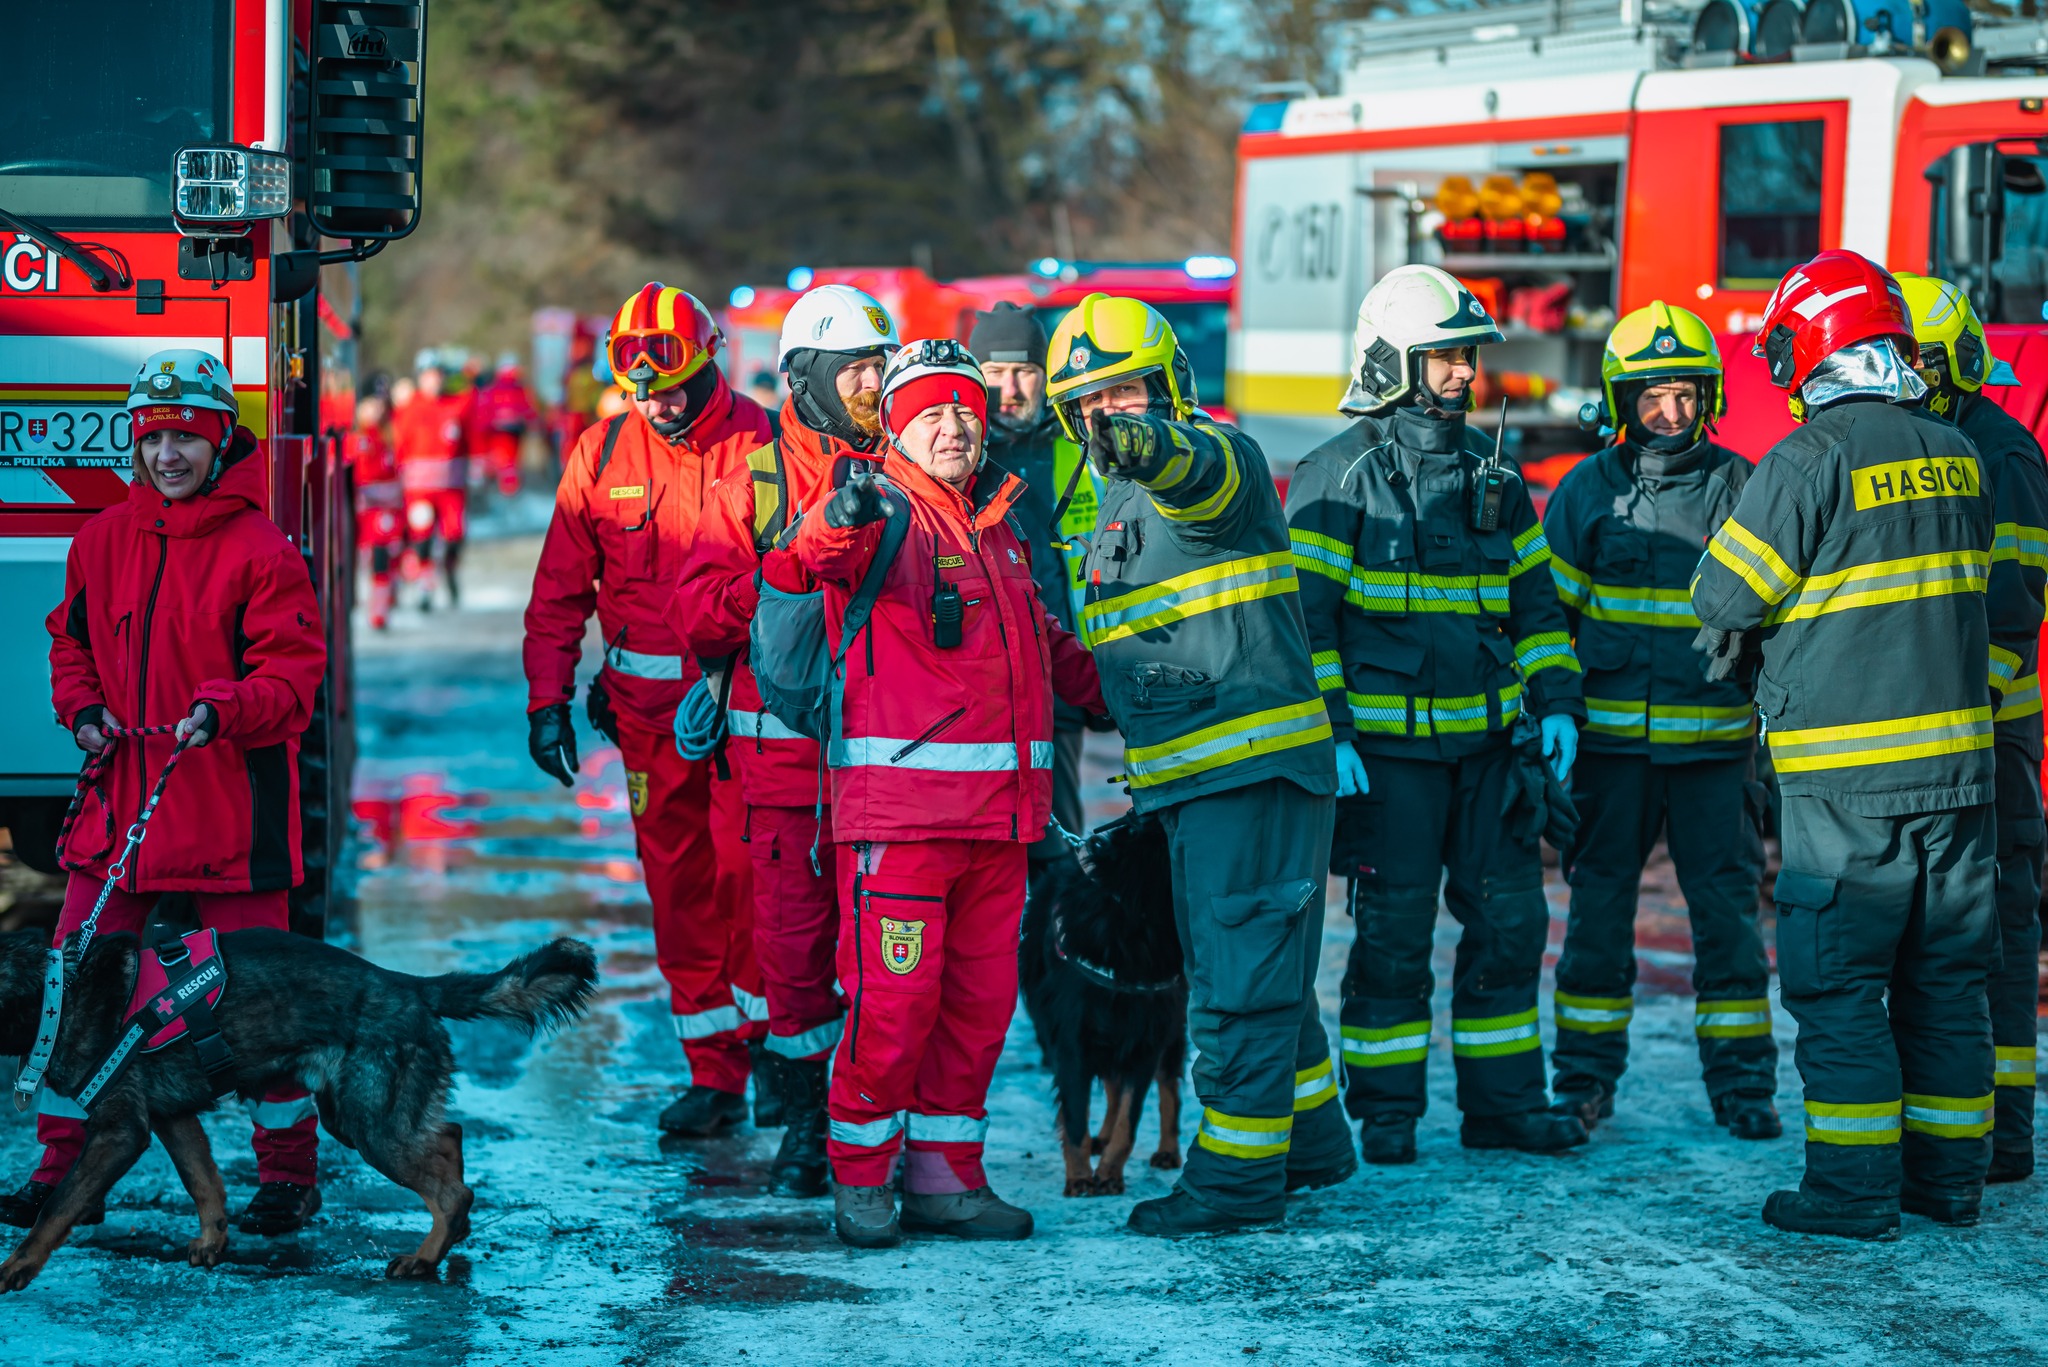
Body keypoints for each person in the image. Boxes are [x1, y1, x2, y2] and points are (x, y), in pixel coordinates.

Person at [1693, 249, 1998, 1239]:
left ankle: (1851, 1189)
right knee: (1945, 979)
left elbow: (1723, 593)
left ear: (1813, 340)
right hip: (1960, 778)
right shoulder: (1955, 446)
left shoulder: (1810, 457)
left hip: (1845, 786)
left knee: (1837, 985)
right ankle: (1947, 1179)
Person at [1042, 293, 1351, 1237]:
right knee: (1264, 975)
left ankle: (1234, 1183)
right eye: (1090, 404)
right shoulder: (1108, 515)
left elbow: (1201, 471)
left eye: (1129, 392)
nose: (1111, 416)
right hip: (1197, 785)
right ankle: (1310, 1143)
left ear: (1170, 385)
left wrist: (1151, 441)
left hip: (1246, 775)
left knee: (1235, 990)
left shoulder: (1219, 462)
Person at [2, 348, 328, 1236]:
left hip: (230, 817)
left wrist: (221, 710)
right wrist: (82, 714)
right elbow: (69, 646)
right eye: (154, 439)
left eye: (187, 436)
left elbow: (295, 680)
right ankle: (65, 1171)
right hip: (123, 815)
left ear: (221, 441)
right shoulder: (100, 540)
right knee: (74, 998)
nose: (168, 455)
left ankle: (288, 1177)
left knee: (260, 1009)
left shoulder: (264, 552)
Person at [787, 340, 1103, 1249]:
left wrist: (1136, 683)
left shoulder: (996, 522)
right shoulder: (877, 508)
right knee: (893, 1011)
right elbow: (814, 556)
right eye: (931, 412)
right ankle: (861, 1180)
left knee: (976, 1013)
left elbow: (1043, 643)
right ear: (895, 427)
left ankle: (946, 1179)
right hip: (902, 826)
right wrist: (841, 511)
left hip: (1001, 830)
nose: (956, 424)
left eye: (965, 408)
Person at [1286, 264, 1588, 1166]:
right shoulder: (1336, 476)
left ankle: (1503, 1107)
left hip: (1493, 755)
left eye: (1466, 356)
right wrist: (1335, 731)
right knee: (1393, 935)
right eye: (1446, 355)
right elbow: (1309, 621)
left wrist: (1560, 703)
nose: (1464, 373)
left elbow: (1536, 608)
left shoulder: (1495, 475)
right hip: (1389, 763)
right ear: (1392, 364)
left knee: (1509, 927)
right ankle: (1388, 1111)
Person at [522, 284, 773, 1136]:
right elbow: (560, 593)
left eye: (674, 387)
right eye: (643, 391)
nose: (660, 405)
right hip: (643, 717)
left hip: (750, 705)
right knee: (680, 892)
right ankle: (715, 1073)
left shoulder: (766, 441)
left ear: (712, 368)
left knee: (756, 881)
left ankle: (778, 1053)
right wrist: (546, 701)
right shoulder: (601, 453)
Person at [673, 283, 901, 1197]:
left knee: (888, 960)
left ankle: (878, 1126)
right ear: (806, 374)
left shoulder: (909, 465)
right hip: (783, 773)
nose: (873, 383)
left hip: (888, 765)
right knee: (795, 960)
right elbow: (696, 614)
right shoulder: (751, 484)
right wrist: (788, 572)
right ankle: (807, 1123)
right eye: (856, 368)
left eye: (881, 366)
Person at [1540, 302, 1779, 1139]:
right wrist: (1553, 721)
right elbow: (1548, 623)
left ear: (1708, 397)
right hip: (1610, 756)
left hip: (1715, 754)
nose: (1669, 413)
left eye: (1684, 394)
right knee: (1598, 917)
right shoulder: (1584, 493)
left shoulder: (1743, 486)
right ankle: (1581, 1083)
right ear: (1620, 400)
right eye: (1652, 396)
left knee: (1728, 921)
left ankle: (1745, 1089)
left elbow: (1776, 623)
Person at [1898, 271, 2048, 1183]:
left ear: (1956, 359)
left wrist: (1962, 707)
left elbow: (2013, 611)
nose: (1903, 375)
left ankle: (2009, 1140)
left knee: (1996, 937)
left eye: (1918, 358)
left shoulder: (2003, 453)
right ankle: (1958, 1132)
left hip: (1993, 742)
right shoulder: (1933, 441)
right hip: (1943, 736)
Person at [972, 303, 1093, 885]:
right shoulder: (957, 454)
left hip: (1060, 671)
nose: (1009, 389)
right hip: (981, 681)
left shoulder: (1079, 450)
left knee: (1056, 837)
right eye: (994, 373)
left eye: (1024, 373)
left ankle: (1052, 960)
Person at [393, 354, 474, 609]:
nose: (434, 380)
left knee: (454, 535)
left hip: (451, 487)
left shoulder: (456, 404)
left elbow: (468, 438)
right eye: (429, 375)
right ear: (420, 377)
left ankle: (450, 569)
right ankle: (426, 586)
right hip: (419, 490)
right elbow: (397, 443)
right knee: (422, 536)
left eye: (438, 374)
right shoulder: (408, 407)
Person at [348, 386, 402, 631]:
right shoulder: (358, 438)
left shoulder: (389, 435)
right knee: (371, 559)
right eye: (371, 404)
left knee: (384, 557)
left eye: (379, 405)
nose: (376, 410)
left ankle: (380, 609)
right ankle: (374, 607)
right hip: (365, 511)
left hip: (386, 510)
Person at [475, 353, 540, 497]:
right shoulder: (519, 388)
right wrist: (534, 423)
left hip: (499, 433)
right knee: (509, 464)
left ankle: (503, 492)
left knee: (503, 464)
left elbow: (484, 413)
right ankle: (510, 492)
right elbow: (528, 409)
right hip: (510, 432)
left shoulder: (493, 389)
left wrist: (483, 430)